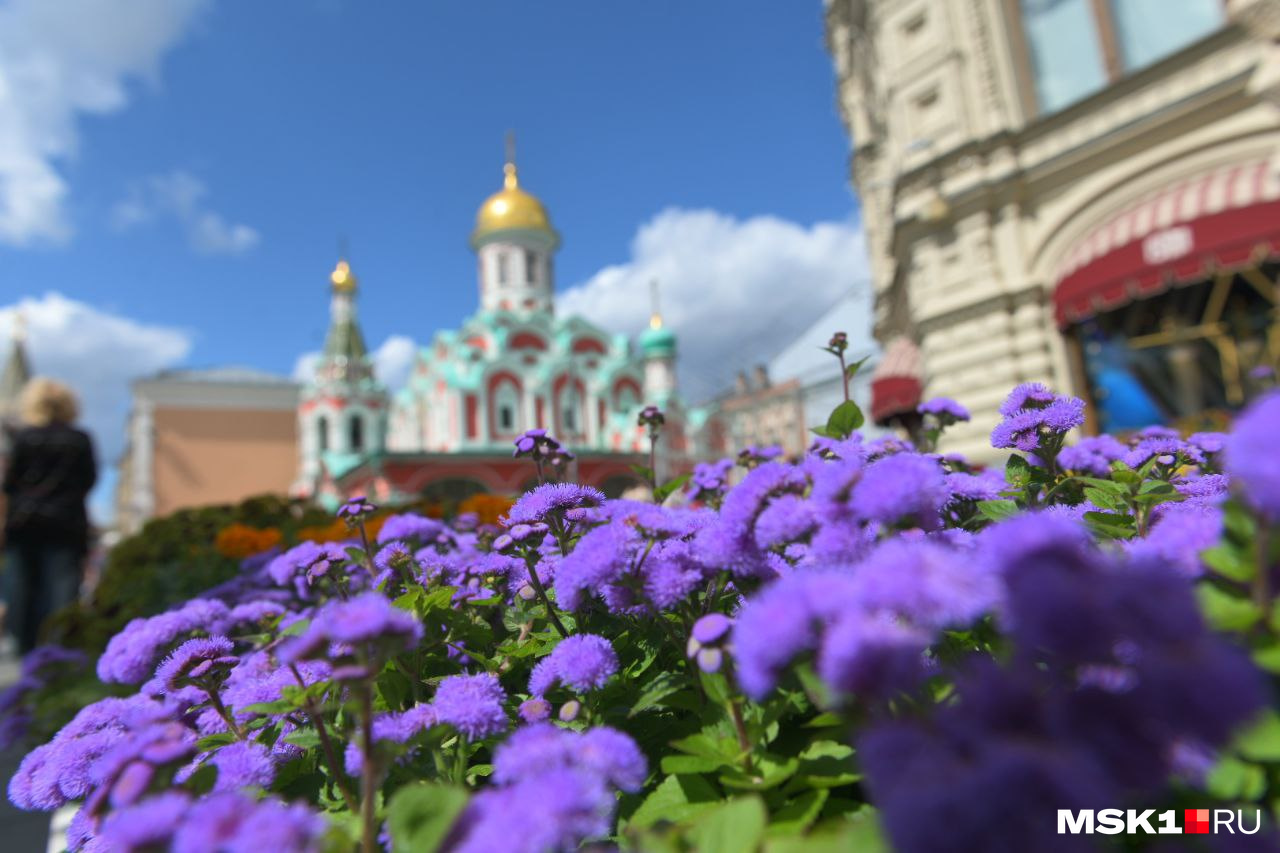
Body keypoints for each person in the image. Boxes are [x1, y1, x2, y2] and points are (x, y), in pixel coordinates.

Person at [2, 378, 97, 653]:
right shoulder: (79, 439)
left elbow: (9, 484)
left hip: (24, 524)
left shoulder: (24, 438)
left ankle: (25, 650)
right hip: (66, 525)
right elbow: (88, 480)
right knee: (63, 591)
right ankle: (59, 650)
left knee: (21, 590)